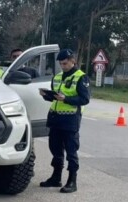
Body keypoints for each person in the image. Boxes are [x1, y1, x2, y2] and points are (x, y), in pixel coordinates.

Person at [38, 48, 90, 193]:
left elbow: (85, 99)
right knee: (55, 150)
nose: (63, 66)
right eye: (61, 63)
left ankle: (72, 181)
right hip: (55, 118)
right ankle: (56, 178)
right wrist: (45, 95)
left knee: (71, 151)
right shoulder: (58, 77)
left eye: (65, 63)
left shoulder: (81, 77)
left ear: (73, 61)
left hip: (70, 119)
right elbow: (55, 97)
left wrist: (66, 99)